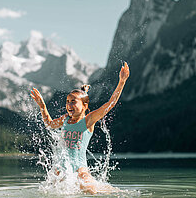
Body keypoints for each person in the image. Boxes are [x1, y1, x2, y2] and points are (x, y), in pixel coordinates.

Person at [30, 62, 130, 194]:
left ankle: (111, 191)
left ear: (84, 105)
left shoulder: (88, 120)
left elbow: (109, 104)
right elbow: (49, 124)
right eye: (67, 101)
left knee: (91, 190)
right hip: (62, 169)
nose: (69, 105)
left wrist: (122, 82)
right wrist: (42, 106)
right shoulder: (65, 119)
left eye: (73, 102)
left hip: (80, 169)